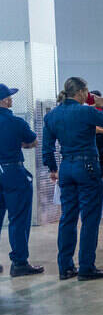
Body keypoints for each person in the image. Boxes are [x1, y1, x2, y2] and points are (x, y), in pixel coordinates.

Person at [42, 77, 103, 281]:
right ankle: (86, 266)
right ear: (80, 93)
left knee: (67, 218)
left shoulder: (52, 115)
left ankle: (66, 267)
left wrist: (53, 168)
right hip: (86, 165)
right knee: (90, 218)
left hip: (66, 166)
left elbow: (47, 148)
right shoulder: (86, 111)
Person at [0, 84, 44, 276]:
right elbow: (33, 141)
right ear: (4, 101)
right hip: (13, 173)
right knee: (18, 218)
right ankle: (19, 263)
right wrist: (19, 144)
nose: (11, 99)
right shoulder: (16, 122)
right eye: (9, 97)